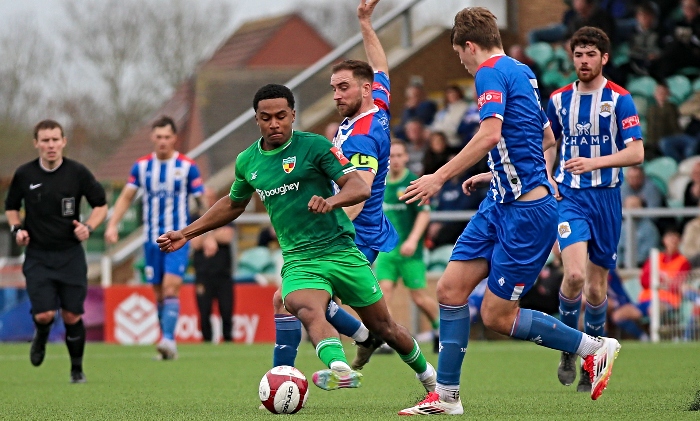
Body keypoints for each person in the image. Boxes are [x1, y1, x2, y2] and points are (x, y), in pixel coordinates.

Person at [398, 10, 621, 415]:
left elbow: (491, 133)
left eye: (459, 56)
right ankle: (446, 396)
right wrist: (497, 173)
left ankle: (594, 346)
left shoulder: (488, 71)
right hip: (500, 202)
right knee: (449, 290)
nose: (462, 65)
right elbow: (544, 136)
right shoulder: (521, 71)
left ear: (469, 46)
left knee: (498, 316)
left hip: (525, 214)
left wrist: (439, 177)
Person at [156, 82, 436, 394]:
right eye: (265, 117)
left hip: (341, 250)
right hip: (299, 259)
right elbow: (233, 204)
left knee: (385, 327)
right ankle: (338, 367)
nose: (273, 123)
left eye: (280, 116)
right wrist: (185, 232)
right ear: (256, 119)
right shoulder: (248, 161)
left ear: (292, 115)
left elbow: (358, 186)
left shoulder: (314, 146)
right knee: (306, 308)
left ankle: (430, 379)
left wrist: (330, 201)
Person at [268, 0, 399, 373]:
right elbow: (381, 66)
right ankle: (363, 336)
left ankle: (287, 373)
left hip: (353, 231)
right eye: (334, 88)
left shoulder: (362, 135)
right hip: (358, 228)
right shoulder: (375, 105)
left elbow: (360, 191)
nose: (336, 95)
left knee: (292, 298)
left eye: (343, 88)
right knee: (294, 299)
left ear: (361, 90)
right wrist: (364, 21)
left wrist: (330, 218)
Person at [544, 26, 644, 393]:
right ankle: (570, 348)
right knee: (573, 276)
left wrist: (596, 162)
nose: (583, 61)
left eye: (590, 55)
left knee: (598, 289)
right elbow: (548, 141)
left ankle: (594, 358)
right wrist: (548, 174)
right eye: (578, 55)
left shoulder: (620, 99)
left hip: (606, 199)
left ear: (604, 58)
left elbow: (637, 152)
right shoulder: (557, 100)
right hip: (570, 197)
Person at [4, 119, 108, 383]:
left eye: (55, 139)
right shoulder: (25, 174)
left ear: (63, 141)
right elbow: (11, 206)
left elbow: (101, 205)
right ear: (36, 143)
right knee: (44, 314)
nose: (50, 145)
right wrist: (18, 229)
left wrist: (89, 227)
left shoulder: (78, 173)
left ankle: (76, 370)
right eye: (45, 140)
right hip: (38, 255)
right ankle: (40, 336)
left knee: (72, 314)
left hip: (71, 255)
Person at [104, 116, 206, 360]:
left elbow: (202, 202)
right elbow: (127, 197)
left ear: (174, 138)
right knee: (159, 294)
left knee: (171, 288)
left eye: (167, 137)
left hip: (177, 239)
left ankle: (168, 340)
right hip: (151, 240)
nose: (162, 141)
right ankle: (167, 343)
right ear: (153, 138)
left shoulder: (187, 166)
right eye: (158, 137)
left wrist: (207, 232)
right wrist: (113, 224)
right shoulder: (141, 167)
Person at [375, 140, 439, 351]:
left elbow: (424, 215)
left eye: (399, 155)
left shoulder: (413, 183)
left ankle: (441, 329)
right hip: (387, 251)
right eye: (391, 156)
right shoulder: (379, 183)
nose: (395, 160)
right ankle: (388, 339)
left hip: (410, 252)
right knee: (383, 293)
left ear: (406, 157)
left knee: (419, 297)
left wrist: (412, 240)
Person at [191, 188, 235, 343]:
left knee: (227, 310)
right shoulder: (194, 218)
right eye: (205, 198)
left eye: (211, 197)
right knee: (204, 311)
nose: (208, 201)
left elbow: (227, 236)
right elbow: (195, 243)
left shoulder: (225, 215)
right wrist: (212, 237)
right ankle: (206, 341)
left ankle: (228, 340)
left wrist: (208, 236)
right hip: (203, 273)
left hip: (223, 273)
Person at [617, 195, 660, 267]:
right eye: (629, 206)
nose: (632, 209)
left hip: (642, 267)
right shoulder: (619, 228)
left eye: (635, 205)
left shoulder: (649, 228)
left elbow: (648, 252)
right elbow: (616, 250)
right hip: (621, 267)